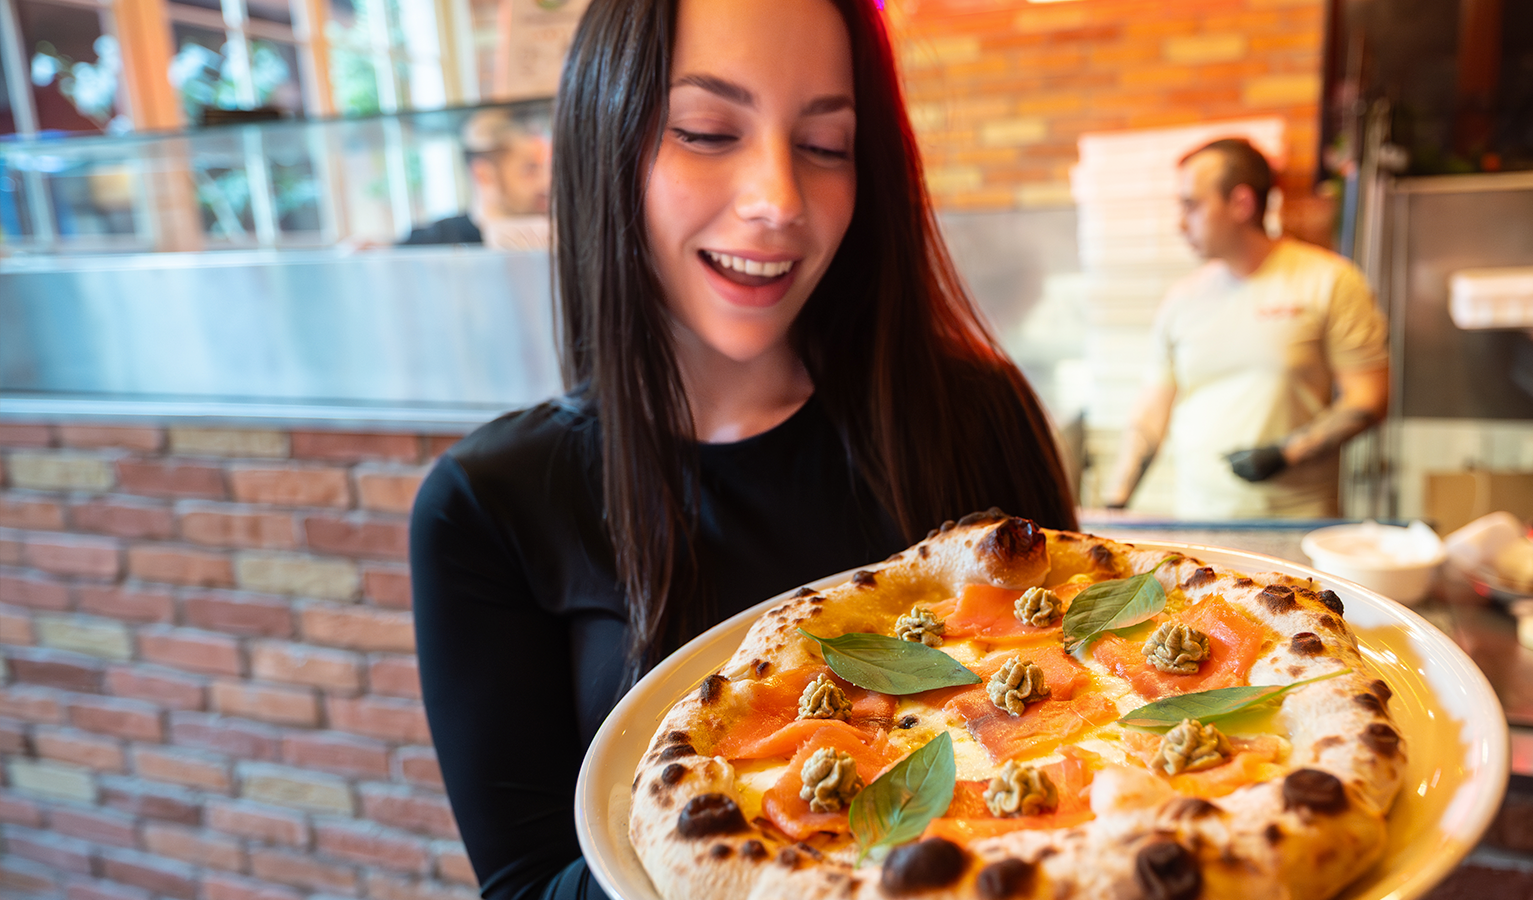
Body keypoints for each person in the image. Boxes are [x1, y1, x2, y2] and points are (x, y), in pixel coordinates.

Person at [406, 1, 1078, 898]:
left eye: (827, 145)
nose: (779, 201)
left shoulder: (976, 411)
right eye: (707, 130)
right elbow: (528, 886)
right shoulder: (489, 503)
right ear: (606, 143)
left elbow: (1107, 706)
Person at [1101, 138, 1389, 519]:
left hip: (1295, 518)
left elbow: (1369, 397)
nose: (1180, 222)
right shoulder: (1182, 299)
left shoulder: (1329, 280)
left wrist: (1286, 453)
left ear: (1241, 204)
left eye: (1192, 205)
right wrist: (1115, 501)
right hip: (1198, 516)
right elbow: (1154, 407)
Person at [402, 109, 553, 246]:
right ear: (484, 175)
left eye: (547, 169)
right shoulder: (430, 245)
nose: (546, 182)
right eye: (529, 170)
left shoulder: (553, 239)